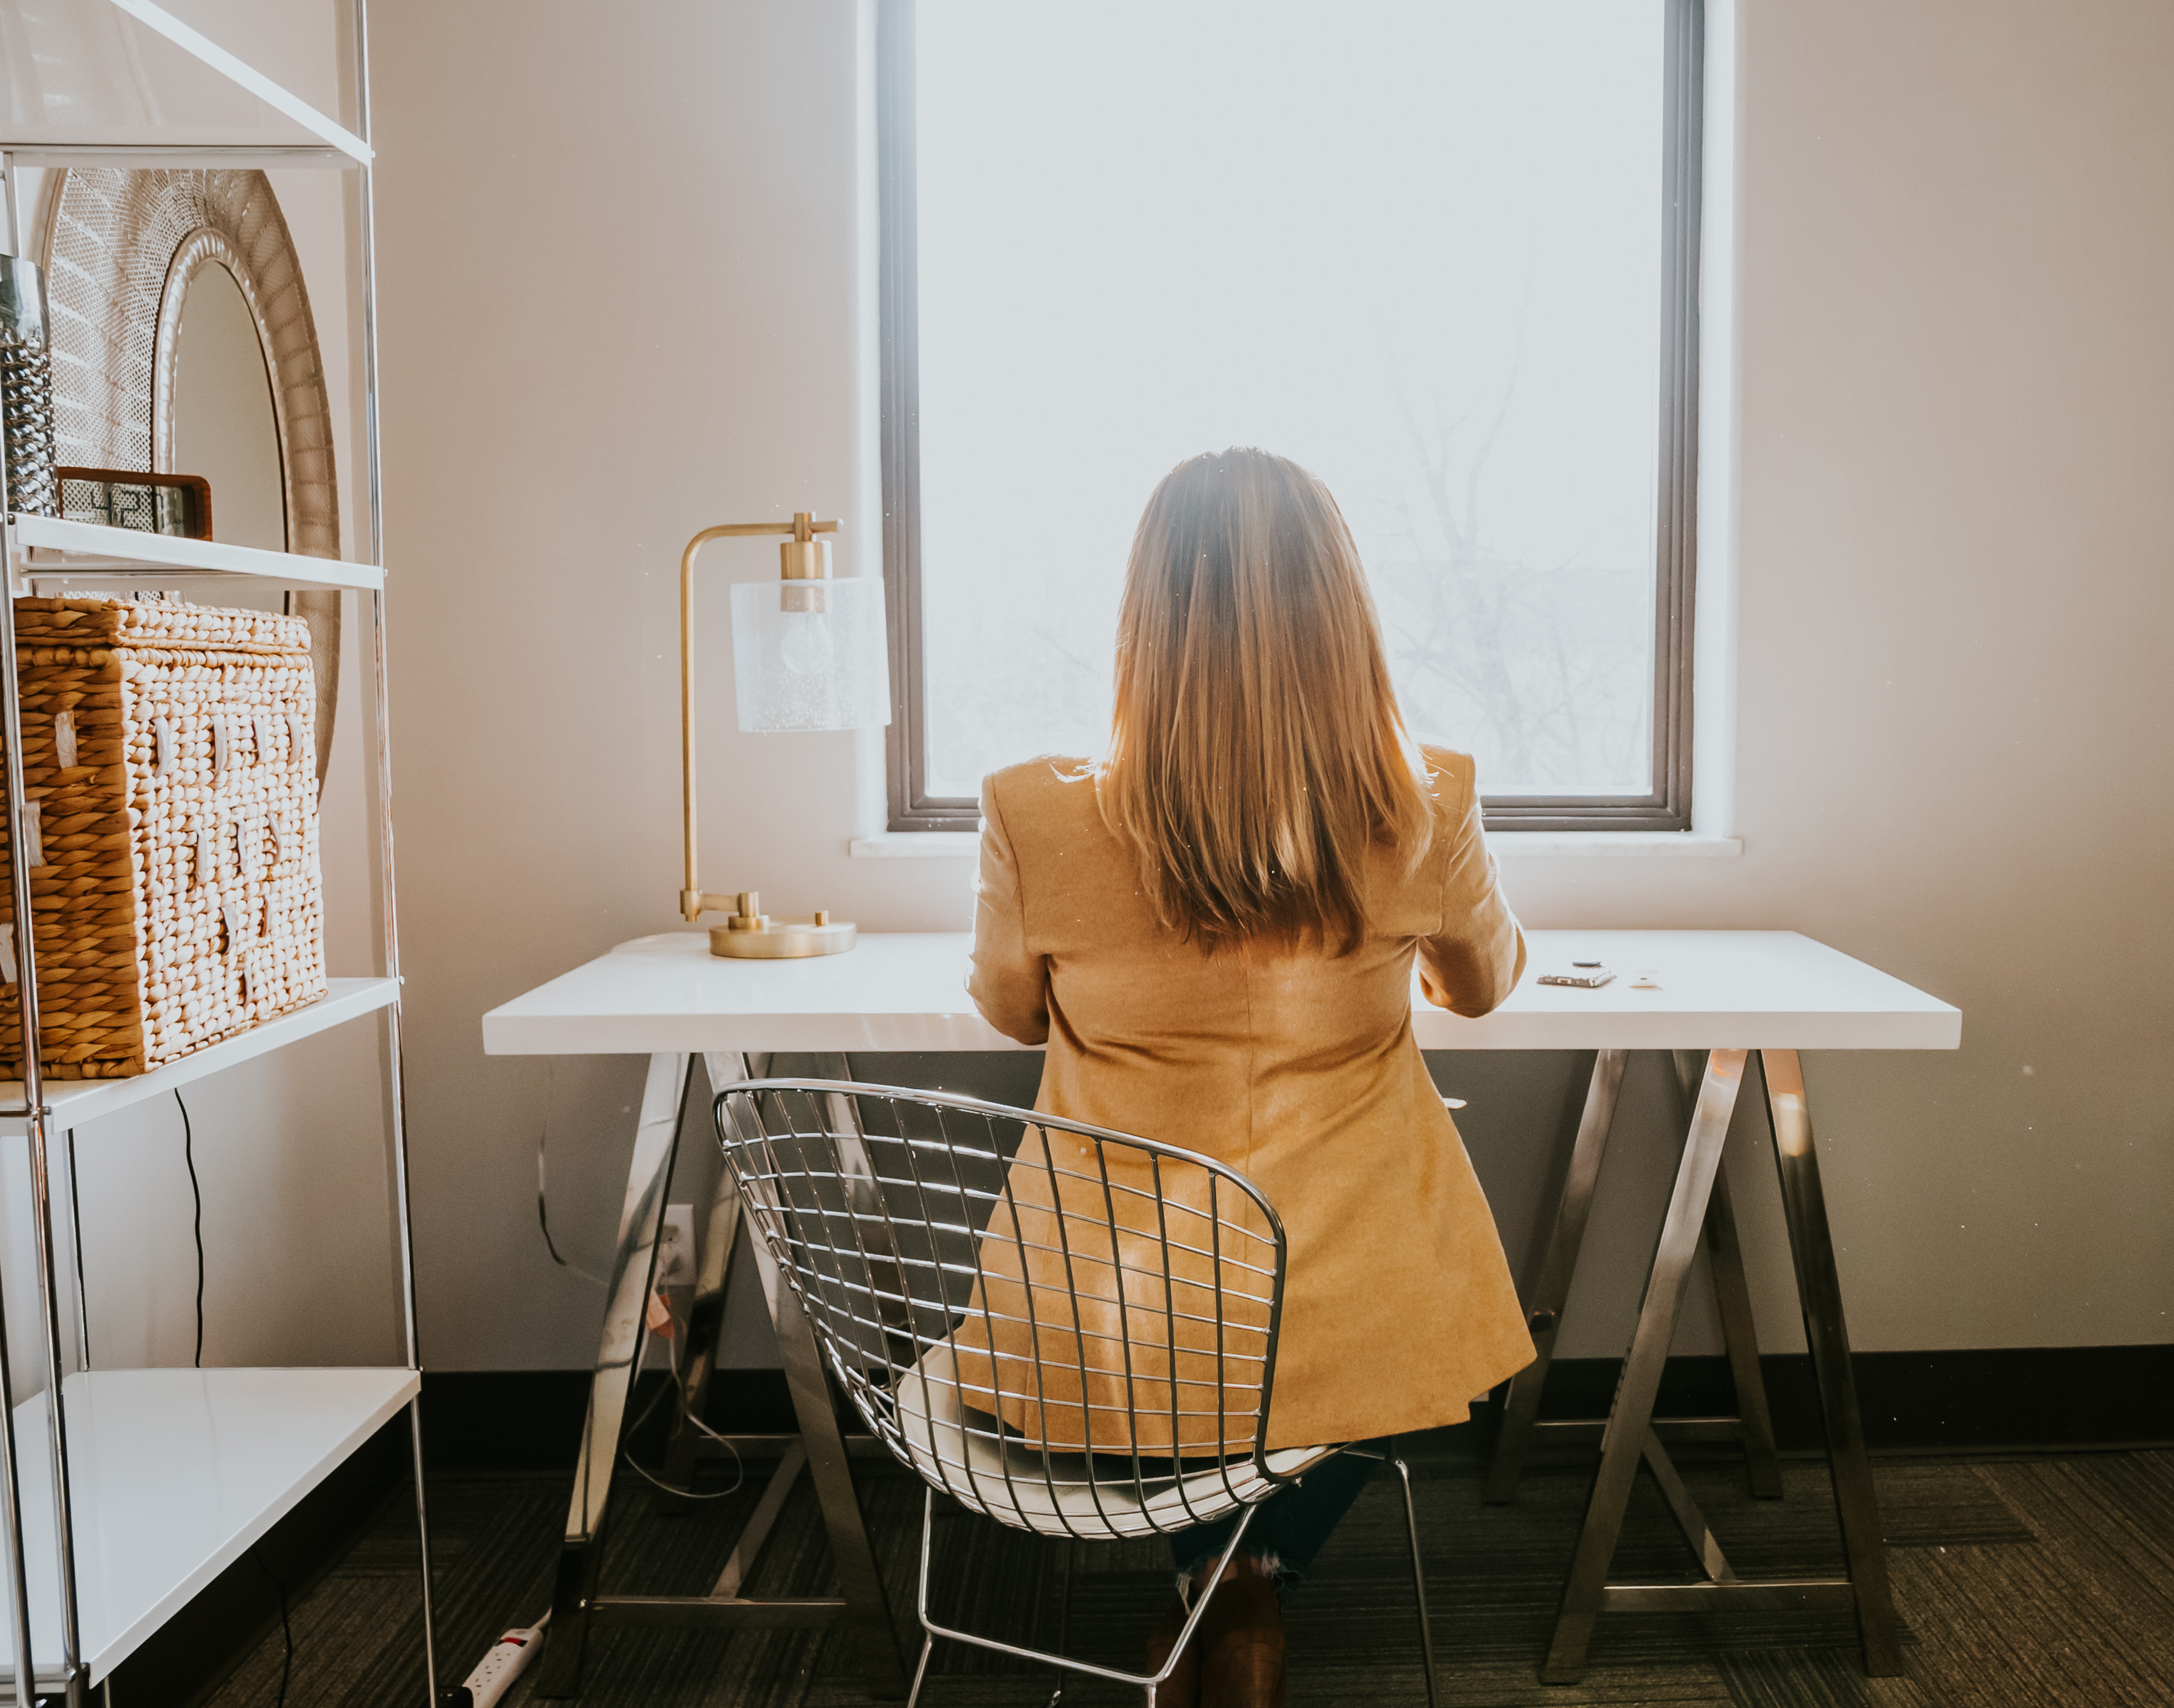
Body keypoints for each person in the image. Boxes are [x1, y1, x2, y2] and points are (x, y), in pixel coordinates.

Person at [965, 447, 1533, 1708]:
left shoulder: (1032, 810)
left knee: (1190, 1359)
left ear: (1144, 619)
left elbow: (1010, 1012)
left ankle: (1220, 1585)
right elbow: (1480, 987)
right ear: (1342, 614)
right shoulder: (1427, 800)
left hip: (1102, 1310)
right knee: (1311, 1357)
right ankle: (1251, 1580)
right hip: (1344, 1304)